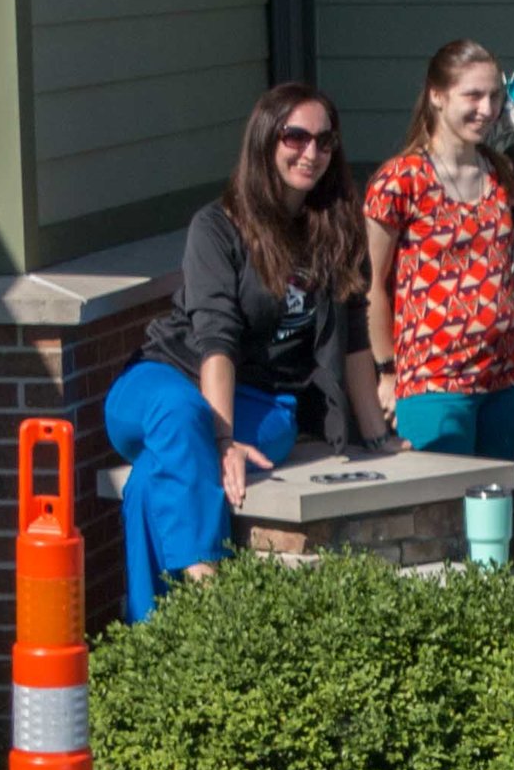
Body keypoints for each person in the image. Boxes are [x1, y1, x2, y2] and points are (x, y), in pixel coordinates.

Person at [104, 84, 390, 620]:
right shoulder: (218, 227)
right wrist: (222, 437)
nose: (312, 152)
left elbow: (354, 334)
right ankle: (206, 592)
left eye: (324, 140)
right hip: (164, 380)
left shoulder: (339, 226)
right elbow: (216, 337)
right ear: (265, 141)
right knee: (183, 416)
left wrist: (377, 436)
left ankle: (154, 636)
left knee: (156, 477)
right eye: (296, 136)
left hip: (263, 400)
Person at [364, 39, 514, 459]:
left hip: (504, 375)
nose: (487, 108)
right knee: (442, 517)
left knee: (495, 515)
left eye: (494, 95)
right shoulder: (400, 180)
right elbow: (370, 286)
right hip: (433, 381)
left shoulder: (499, 171)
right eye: (472, 95)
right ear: (437, 96)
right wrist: (386, 371)